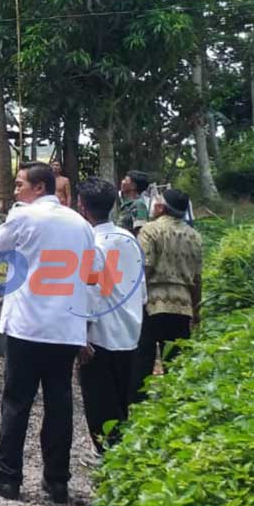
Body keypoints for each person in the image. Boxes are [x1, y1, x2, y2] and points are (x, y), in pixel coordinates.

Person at [0, 162, 102, 504]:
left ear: (40, 188)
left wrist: (16, 211)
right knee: (59, 402)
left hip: (28, 326)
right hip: (65, 327)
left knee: (17, 401)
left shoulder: (24, 215)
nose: (16, 191)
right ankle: (57, 481)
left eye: (20, 185)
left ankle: (8, 477)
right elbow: (89, 272)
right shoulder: (81, 224)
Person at [74, 178, 144, 457]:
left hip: (101, 335)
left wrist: (81, 336)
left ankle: (107, 456)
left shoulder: (92, 244)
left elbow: (91, 294)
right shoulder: (129, 239)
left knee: (99, 400)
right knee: (121, 400)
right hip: (131, 331)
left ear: (82, 207)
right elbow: (142, 289)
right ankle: (123, 454)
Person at [131, 188, 202, 403]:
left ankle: (136, 405)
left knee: (142, 359)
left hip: (152, 302)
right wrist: (197, 311)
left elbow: (144, 268)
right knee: (176, 360)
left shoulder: (150, 230)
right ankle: (176, 405)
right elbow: (198, 278)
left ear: (161, 207)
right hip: (182, 305)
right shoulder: (194, 236)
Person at [116, 170, 152, 234]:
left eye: (125, 180)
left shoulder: (139, 205)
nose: (122, 182)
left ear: (133, 186)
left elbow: (141, 232)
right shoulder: (125, 204)